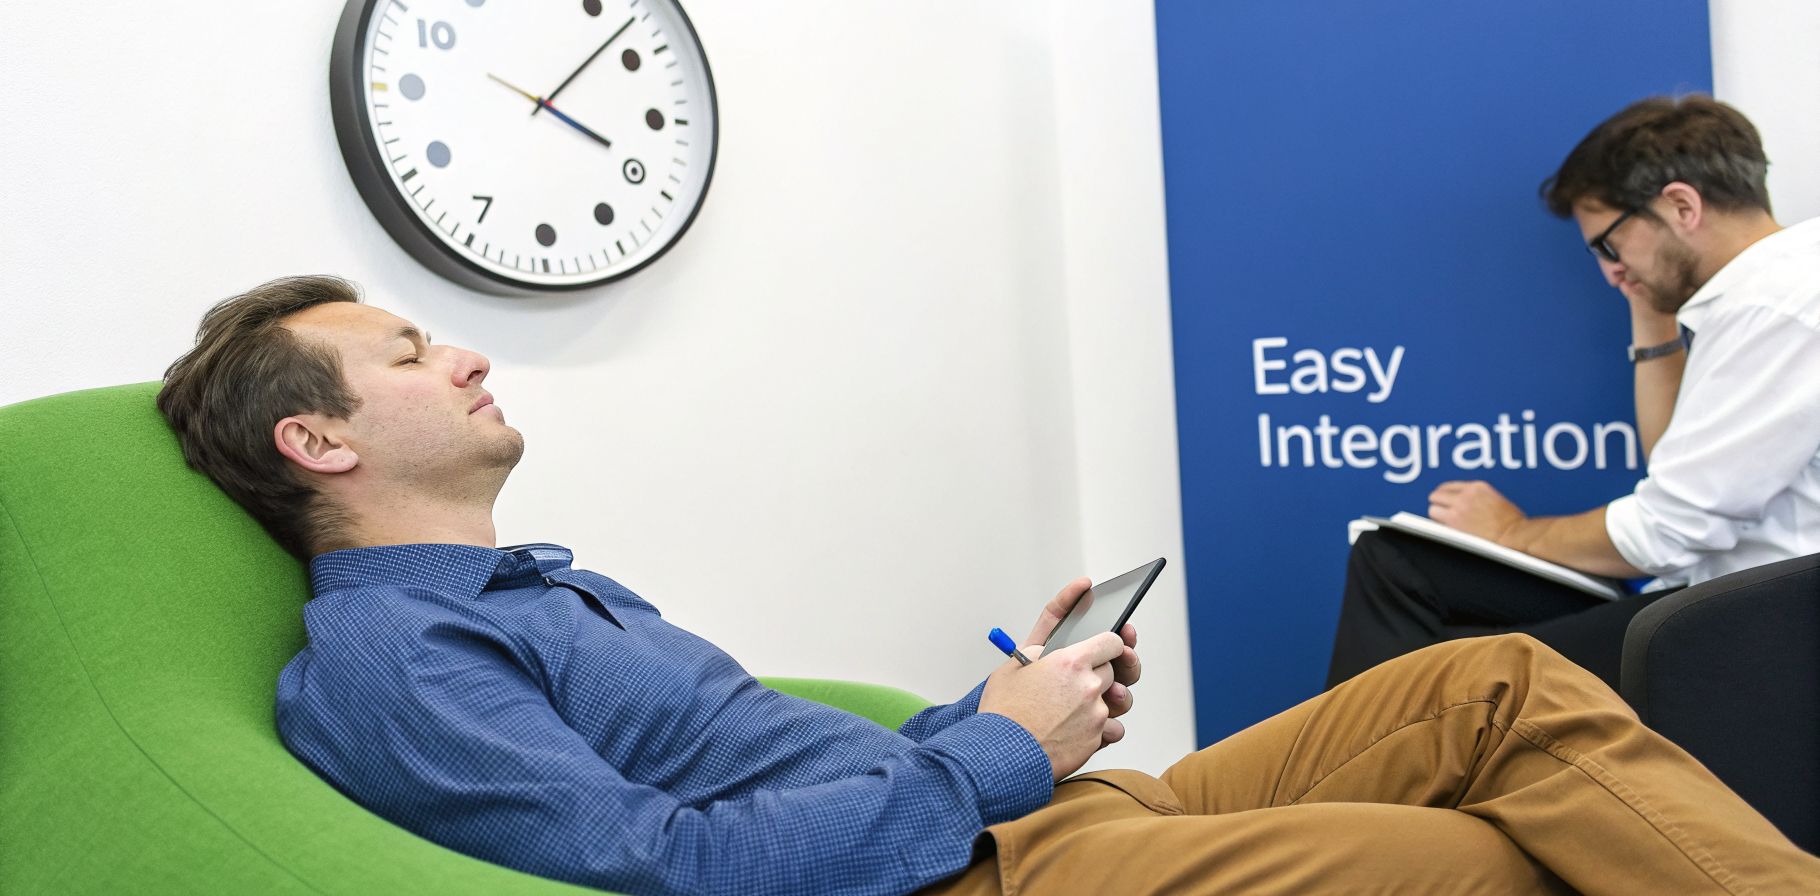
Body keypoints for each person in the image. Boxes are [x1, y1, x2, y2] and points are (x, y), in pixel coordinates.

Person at [156, 275, 1820, 895]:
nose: (460, 352)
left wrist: (1016, 699)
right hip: (966, 870)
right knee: (1469, 856)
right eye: (404, 349)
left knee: (1504, 681)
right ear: (315, 439)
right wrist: (995, 753)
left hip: (1019, 807)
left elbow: (795, 767)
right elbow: (664, 865)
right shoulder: (382, 663)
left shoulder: (546, 591)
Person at [1327, 95, 1820, 691]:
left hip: (1756, 627)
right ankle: (1364, 774)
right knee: (1396, 561)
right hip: (1707, 597)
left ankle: (1359, 777)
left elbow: (1665, 531)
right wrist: (1650, 307)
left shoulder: (1779, 309)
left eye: (1610, 246)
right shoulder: (1758, 295)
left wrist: (1511, 532)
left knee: (1460, 680)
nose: (1609, 271)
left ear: (1682, 206)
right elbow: (1676, 465)